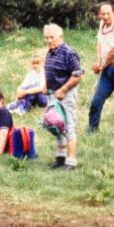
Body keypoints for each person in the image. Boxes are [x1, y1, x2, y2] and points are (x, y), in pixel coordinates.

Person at [43, 24, 83, 170]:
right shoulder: (50, 52)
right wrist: (45, 85)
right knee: (55, 126)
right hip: (52, 93)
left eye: (52, 37)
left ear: (61, 36)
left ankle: (71, 162)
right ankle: (60, 157)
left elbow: (78, 75)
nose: (49, 40)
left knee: (68, 127)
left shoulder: (69, 52)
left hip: (66, 94)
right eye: (46, 38)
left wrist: (64, 89)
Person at [88, 2, 114, 135]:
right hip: (107, 69)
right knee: (96, 101)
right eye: (103, 14)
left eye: (108, 13)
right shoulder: (102, 24)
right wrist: (98, 62)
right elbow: (100, 44)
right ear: (99, 14)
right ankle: (92, 132)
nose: (105, 16)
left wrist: (102, 66)